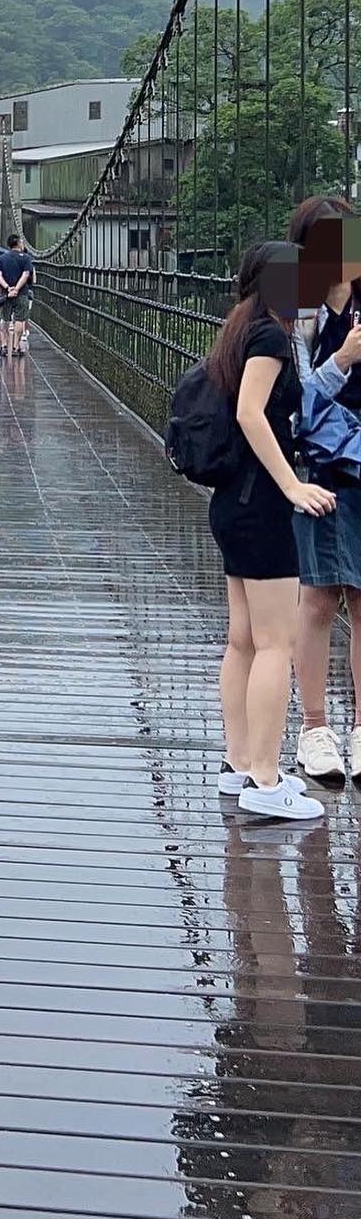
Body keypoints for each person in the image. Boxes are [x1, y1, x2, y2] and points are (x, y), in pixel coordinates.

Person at [204, 241, 331, 821]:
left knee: (244, 640)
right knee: (277, 643)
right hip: (262, 508)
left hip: (233, 502)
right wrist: (292, 487)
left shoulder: (240, 329)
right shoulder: (271, 338)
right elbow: (250, 413)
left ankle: (239, 765)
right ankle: (265, 778)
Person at [287, 195, 361, 785]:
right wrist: (340, 360)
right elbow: (287, 399)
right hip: (320, 472)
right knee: (318, 599)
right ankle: (314, 728)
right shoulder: (293, 306)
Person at [0, 233, 34, 357]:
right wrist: (16, 289)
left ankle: (4, 346)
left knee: (4, 319)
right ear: (18, 243)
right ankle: (16, 347)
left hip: (5, 294)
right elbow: (25, 275)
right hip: (21, 293)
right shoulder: (26, 258)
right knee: (19, 319)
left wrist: (8, 288)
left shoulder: (2, 258)